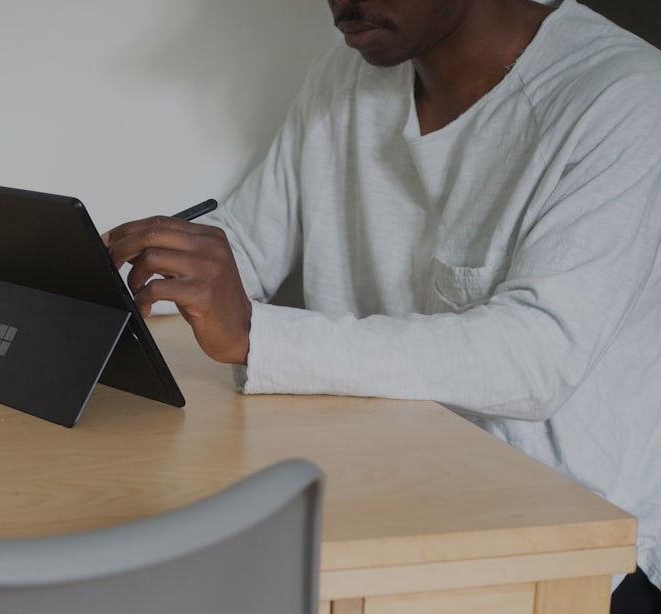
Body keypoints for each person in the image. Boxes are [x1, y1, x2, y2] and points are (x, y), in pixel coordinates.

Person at [102, 0, 661, 611]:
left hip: (564, 542)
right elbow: (249, 250)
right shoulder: (350, 73)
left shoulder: (621, 96)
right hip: (379, 492)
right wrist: (141, 267)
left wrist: (258, 335)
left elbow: (537, 356)